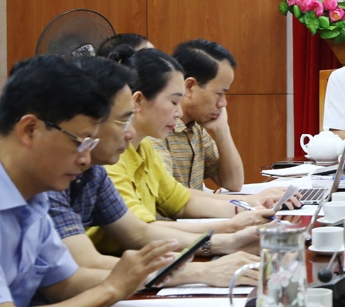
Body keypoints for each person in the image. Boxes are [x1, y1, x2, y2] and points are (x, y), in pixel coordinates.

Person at [0, 55, 176, 307]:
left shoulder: (34, 198)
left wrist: (138, 276)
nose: (85, 160)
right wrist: (111, 288)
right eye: (80, 142)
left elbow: (64, 283)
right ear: (29, 130)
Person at [48, 57, 260, 287]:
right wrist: (201, 270)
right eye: (122, 120)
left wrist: (228, 239)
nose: (129, 133)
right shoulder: (50, 182)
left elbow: (138, 232)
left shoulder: (94, 172)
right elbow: (82, 267)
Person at [99, 47, 272, 254]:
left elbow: (182, 201)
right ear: (137, 101)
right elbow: (140, 232)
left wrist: (247, 207)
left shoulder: (143, 146)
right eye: (173, 102)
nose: (179, 111)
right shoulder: (109, 156)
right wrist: (230, 230)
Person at [148, 39, 245, 193]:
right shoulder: (157, 129)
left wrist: (222, 129)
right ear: (189, 87)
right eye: (219, 93)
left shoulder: (196, 127)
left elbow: (233, 183)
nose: (223, 103)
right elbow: (173, 197)